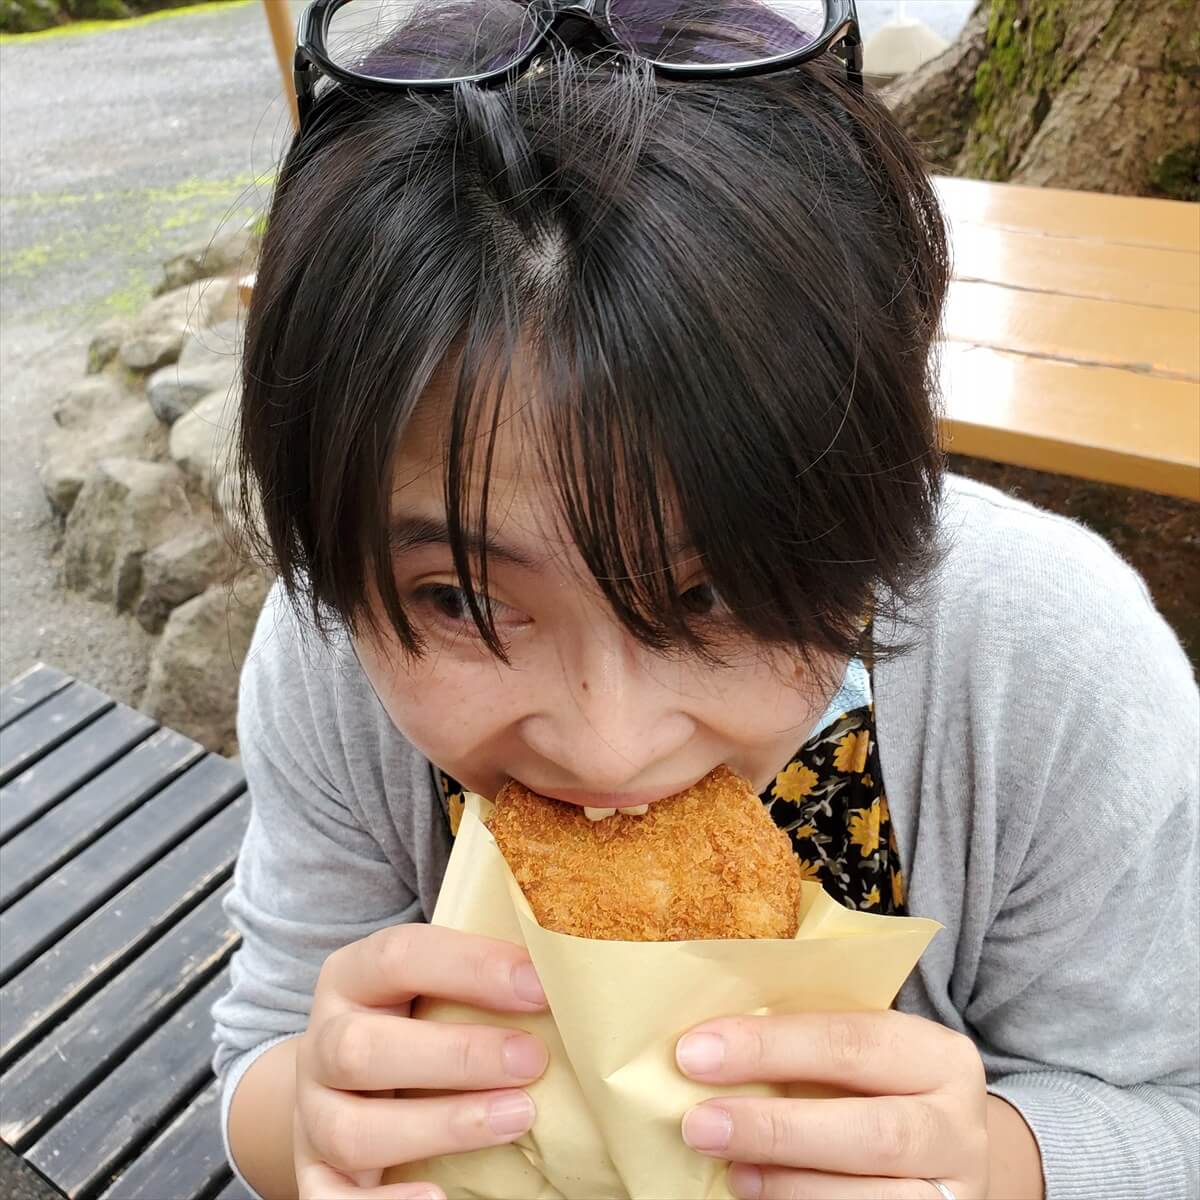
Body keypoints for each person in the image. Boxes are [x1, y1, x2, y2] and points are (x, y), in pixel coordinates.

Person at [210, 2, 1199, 1198]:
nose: (609, 748)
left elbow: (1170, 1108)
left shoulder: (1047, 666)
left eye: (715, 589)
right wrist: (312, 1118)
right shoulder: (329, 661)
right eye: (463, 596)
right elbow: (264, 1050)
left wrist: (986, 1163)